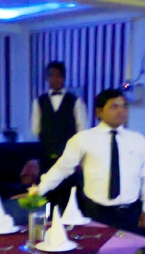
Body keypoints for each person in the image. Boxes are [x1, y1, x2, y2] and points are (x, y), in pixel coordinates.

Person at [33, 88, 145, 232]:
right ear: (99, 112)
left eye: (124, 106)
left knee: (130, 246)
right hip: (96, 212)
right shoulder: (83, 139)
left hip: (130, 212)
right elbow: (62, 169)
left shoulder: (138, 140)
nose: (121, 111)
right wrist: (38, 191)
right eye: (114, 106)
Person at [31, 61, 87, 209]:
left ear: (64, 78)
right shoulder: (39, 102)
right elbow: (36, 129)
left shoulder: (75, 101)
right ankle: (48, 221)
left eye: (58, 76)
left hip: (69, 156)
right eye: (51, 76)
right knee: (47, 195)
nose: (54, 79)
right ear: (46, 78)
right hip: (46, 156)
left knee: (69, 195)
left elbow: (82, 130)